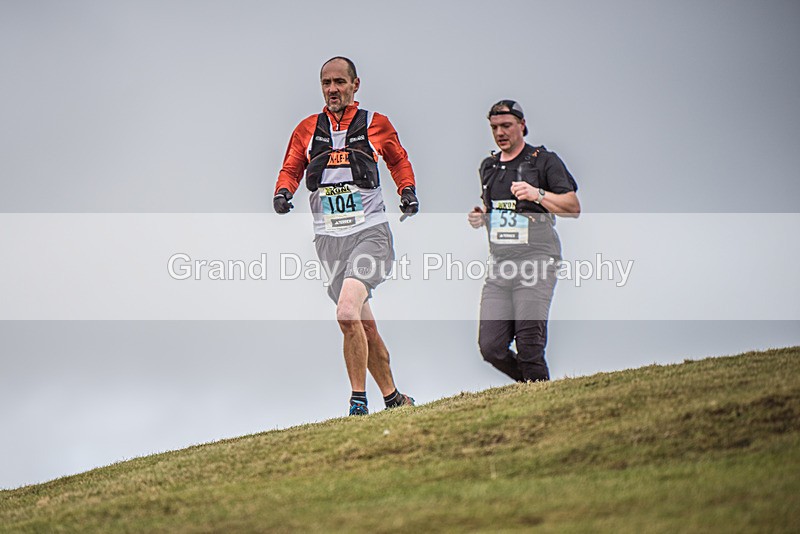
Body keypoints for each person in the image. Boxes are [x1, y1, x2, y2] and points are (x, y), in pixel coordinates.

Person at [273, 57, 418, 416]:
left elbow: (397, 161)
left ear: (355, 84)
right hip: (329, 240)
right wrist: (283, 191)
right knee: (362, 326)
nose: (333, 89)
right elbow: (292, 166)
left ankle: (358, 403)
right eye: (326, 83)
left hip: (370, 234)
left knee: (346, 310)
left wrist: (408, 190)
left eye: (340, 82)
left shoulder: (375, 124)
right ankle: (394, 399)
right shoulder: (307, 128)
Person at [468, 100, 580, 382]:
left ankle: (539, 396)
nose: (500, 133)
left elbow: (573, 207)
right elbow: (500, 211)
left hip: (538, 260)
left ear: (522, 125)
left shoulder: (543, 160)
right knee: (490, 346)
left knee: (530, 344)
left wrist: (537, 194)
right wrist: (483, 216)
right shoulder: (489, 167)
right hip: (501, 265)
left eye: (506, 126)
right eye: (494, 127)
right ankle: (537, 388)